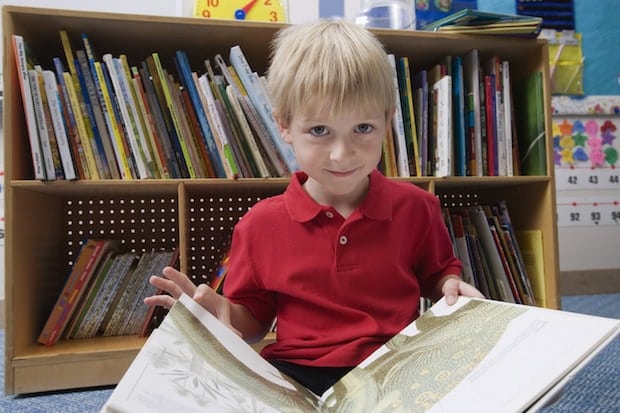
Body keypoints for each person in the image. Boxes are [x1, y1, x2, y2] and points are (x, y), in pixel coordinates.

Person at [145, 19, 484, 396]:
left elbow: (437, 275)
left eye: (363, 128)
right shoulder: (259, 225)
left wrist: (449, 285)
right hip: (294, 374)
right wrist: (219, 317)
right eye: (320, 131)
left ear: (388, 122)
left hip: (394, 366)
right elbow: (254, 322)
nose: (342, 154)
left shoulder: (418, 208)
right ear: (284, 125)